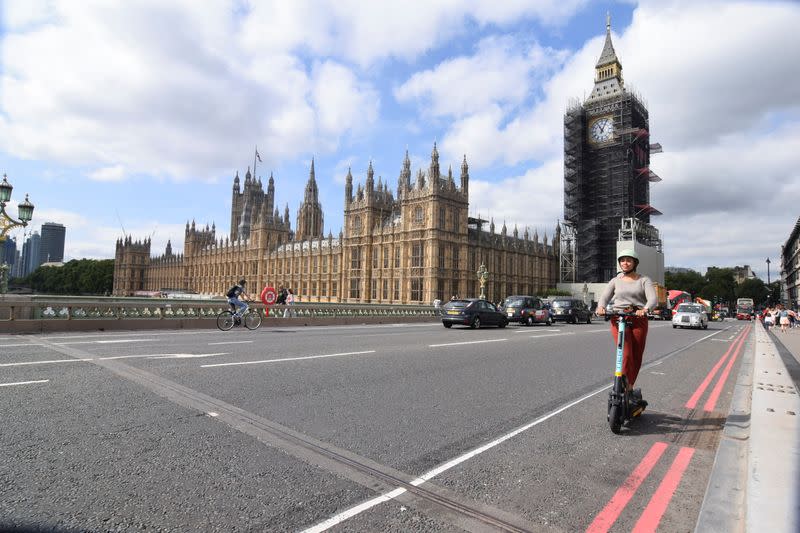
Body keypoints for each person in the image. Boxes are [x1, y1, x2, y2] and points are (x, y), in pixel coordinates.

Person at [595, 249, 657, 416]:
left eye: (629, 260)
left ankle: (629, 387)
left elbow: (653, 299)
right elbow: (605, 297)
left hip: (637, 318)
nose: (625, 263)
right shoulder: (615, 280)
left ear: (635, 263)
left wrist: (645, 309)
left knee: (636, 356)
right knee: (626, 353)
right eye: (623, 260)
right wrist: (601, 307)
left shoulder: (644, 280)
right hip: (619, 318)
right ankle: (621, 384)